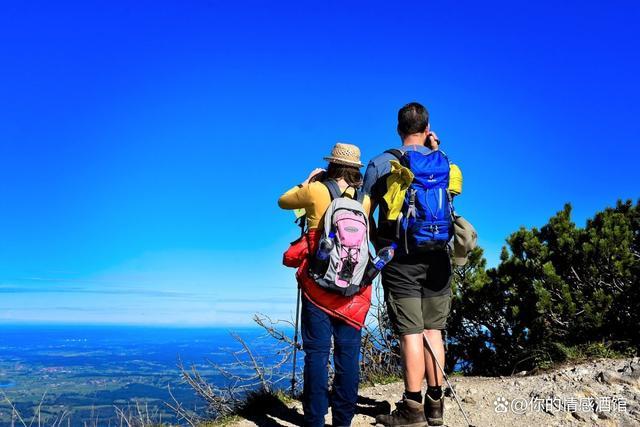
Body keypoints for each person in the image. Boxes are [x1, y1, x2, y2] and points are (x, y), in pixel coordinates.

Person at [364, 102, 463, 426]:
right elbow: (450, 199)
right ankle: (436, 405)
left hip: (401, 259)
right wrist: (436, 150)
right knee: (434, 331)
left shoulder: (382, 164)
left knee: (411, 333)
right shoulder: (446, 164)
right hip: (438, 259)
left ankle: (412, 409)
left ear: (398, 128)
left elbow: (363, 212)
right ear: (427, 126)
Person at [278, 143, 372, 427]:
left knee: (317, 356)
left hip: (317, 287)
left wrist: (306, 181)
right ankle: (343, 421)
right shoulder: (363, 200)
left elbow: (283, 201)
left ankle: (315, 420)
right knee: (348, 357)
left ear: (331, 164)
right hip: (353, 292)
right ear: (356, 169)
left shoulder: (317, 190)